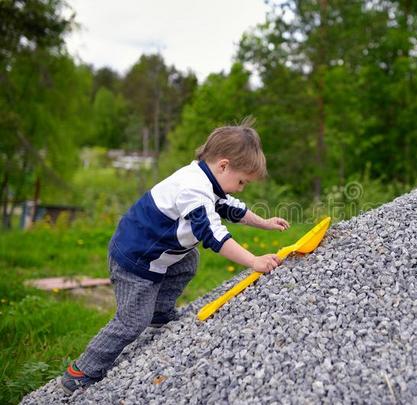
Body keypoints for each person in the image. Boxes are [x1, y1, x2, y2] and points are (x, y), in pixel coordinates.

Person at [60, 117, 289, 394]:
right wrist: (254, 261)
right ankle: (82, 370)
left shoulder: (209, 181)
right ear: (224, 165)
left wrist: (263, 222)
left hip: (160, 252)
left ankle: (160, 313)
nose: (241, 188)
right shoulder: (193, 187)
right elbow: (212, 234)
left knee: (188, 262)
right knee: (132, 321)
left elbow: (231, 209)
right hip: (135, 260)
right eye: (241, 181)